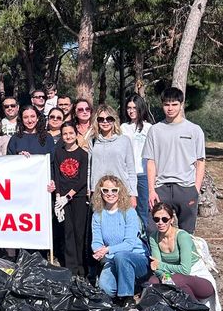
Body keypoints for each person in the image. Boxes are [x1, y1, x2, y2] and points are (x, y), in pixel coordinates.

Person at [143, 87, 206, 234]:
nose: (170, 108)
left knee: (186, 234)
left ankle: (185, 257)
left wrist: (195, 189)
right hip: (161, 189)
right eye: (166, 104)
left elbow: (200, 161)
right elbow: (150, 161)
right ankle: (157, 257)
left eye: (174, 104)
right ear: (162, 105)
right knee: (153, 230)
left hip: (186, 188)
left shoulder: (194, 130)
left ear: (181, 104)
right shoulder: (155, 130)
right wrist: (152, 190)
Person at [147, 203, 220, 311]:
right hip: (173, 277)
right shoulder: (154, 237)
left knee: (178, 279)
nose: (160, 222)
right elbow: (155, 266)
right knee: (153, 282)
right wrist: (164, 276)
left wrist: (161, 266)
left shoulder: (182, 236)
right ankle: (187, 310)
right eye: (156, 219)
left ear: (171, 220)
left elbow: (185, 269)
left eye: (164, 219)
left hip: (198, 279)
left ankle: (194, 310)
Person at [91, 175, 149, 306]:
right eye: (105, 190)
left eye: (114, 190)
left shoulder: (129, 212)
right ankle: (127, 284)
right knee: (106, 288)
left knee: (121, 256)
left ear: (120, 191)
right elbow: (96, 240)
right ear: (100, 192)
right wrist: (98, 250)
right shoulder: (97, 215)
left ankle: (127, 297)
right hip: (111, 258)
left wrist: (108, 249)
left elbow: (129, 244)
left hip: (136, 258)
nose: (110, 194)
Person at [48, 123, 91, 277]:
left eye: (71, 133)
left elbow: (82, 180)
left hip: (77, 198)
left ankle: (81, 268)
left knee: (79, 233)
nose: (68, 136)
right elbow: (57, 176)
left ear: (76, 133)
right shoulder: (59, 153)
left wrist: (68, 196)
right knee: (68, 233)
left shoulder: (83, 154)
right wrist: (59, 196)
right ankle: (71, 269)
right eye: (65, 134)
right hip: (62, 199)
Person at [87, 104, 136, 207]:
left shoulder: (124, 140)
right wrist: (89, 188)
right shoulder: (92, 140)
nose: (105, 122)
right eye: (101, 119)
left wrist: (133, 194)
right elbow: (89, 168)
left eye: (109, 118)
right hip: (99, 191)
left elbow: (131, 170)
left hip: (121, 190)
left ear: (114, 120)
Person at [122, 94, 154, 223]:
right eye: (129, 107)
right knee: (128, 211)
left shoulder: (149, 128)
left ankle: (145, 241)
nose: (131, 111)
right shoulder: (123, 128)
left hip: (143, 175)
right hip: (127, 175)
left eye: (134, 107)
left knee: (143, 211)